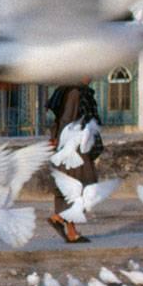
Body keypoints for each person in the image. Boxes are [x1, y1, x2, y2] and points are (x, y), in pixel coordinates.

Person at [46, 82, 101, 244]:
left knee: (69, 190)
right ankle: (59, 218)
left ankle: (71, 231)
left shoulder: (70, 90)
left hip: (71, 145)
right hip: (74, 148)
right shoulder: (75, 92)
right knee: (84, 186)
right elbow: (66, 119)